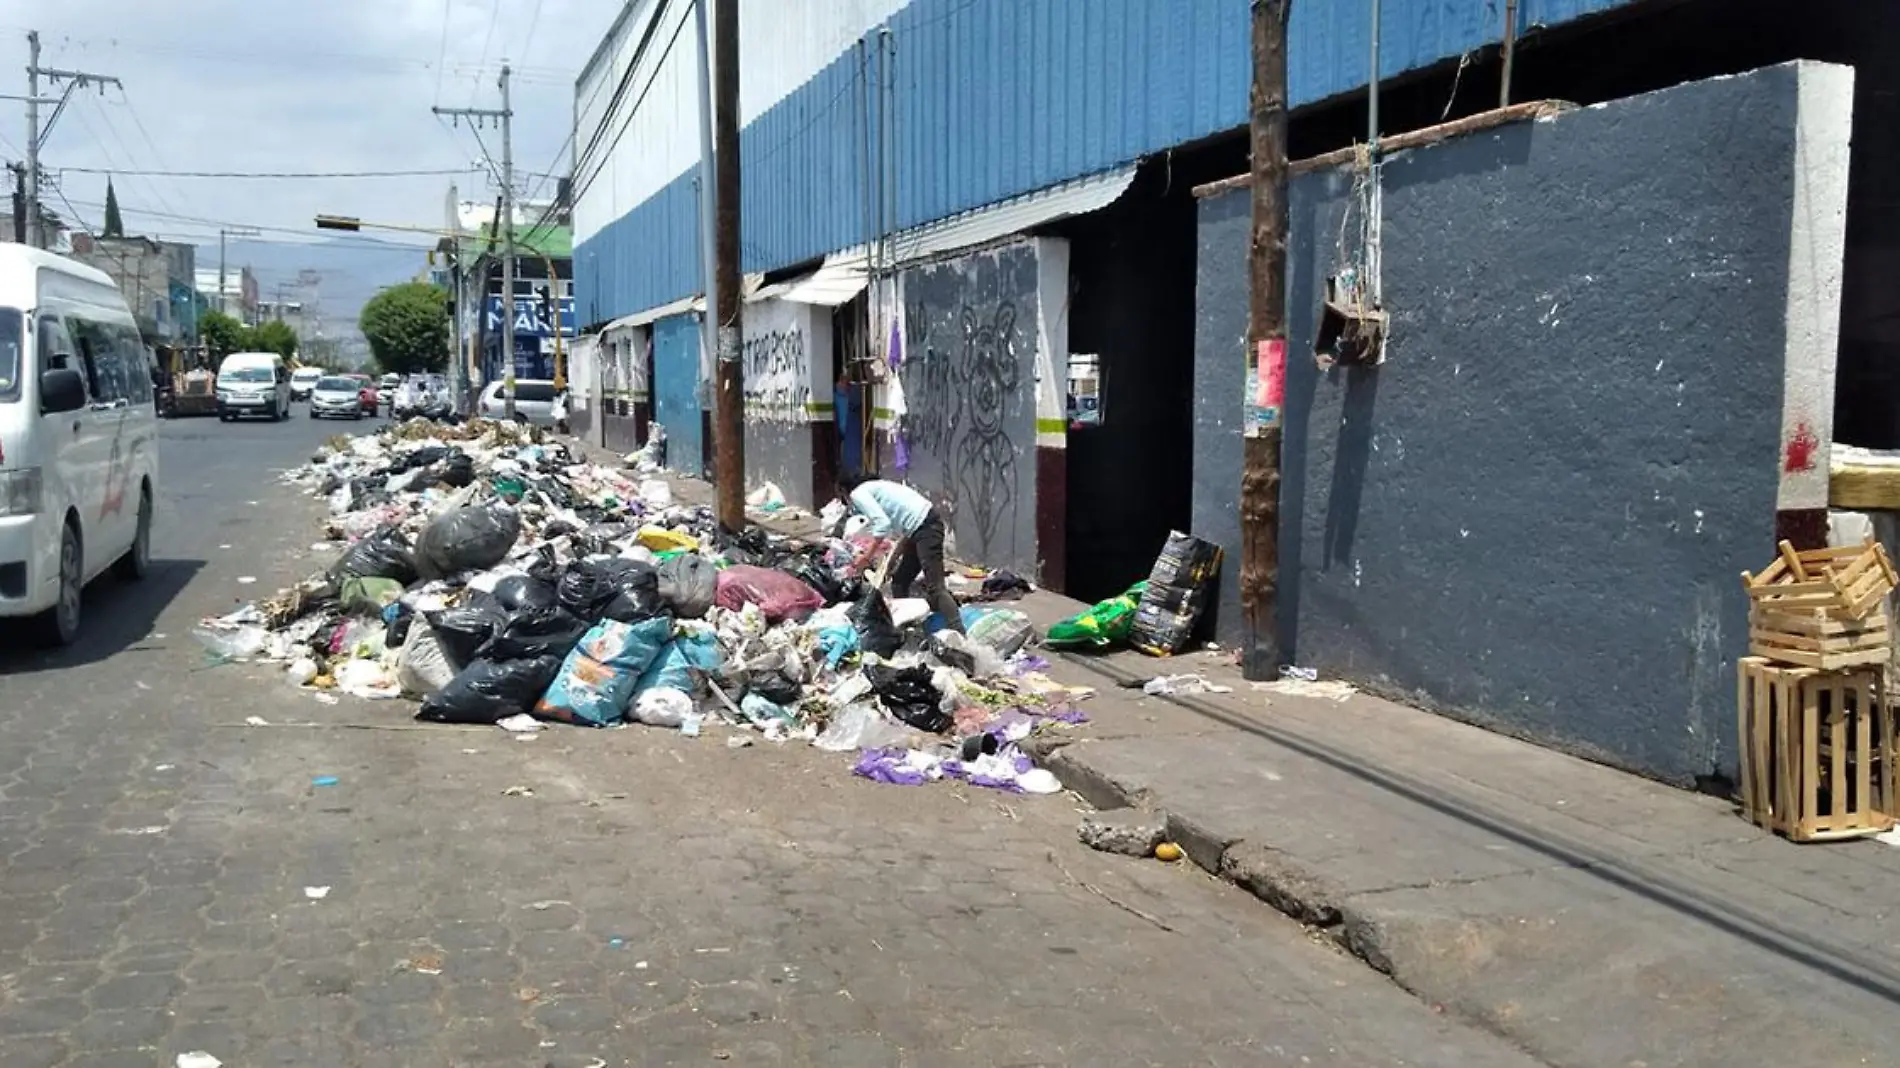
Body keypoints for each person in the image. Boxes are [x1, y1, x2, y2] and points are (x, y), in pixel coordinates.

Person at [838, 472, 963, 634]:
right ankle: (901, 629)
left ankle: (960, 634)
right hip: (921, 526)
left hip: (926, 528)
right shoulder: (877, 487)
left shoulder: (858, 494)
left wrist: (866, 557)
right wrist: (891, 561)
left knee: (936, 588)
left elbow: (882, 524)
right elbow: (905, 530)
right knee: (899, 581)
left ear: (843, 490)